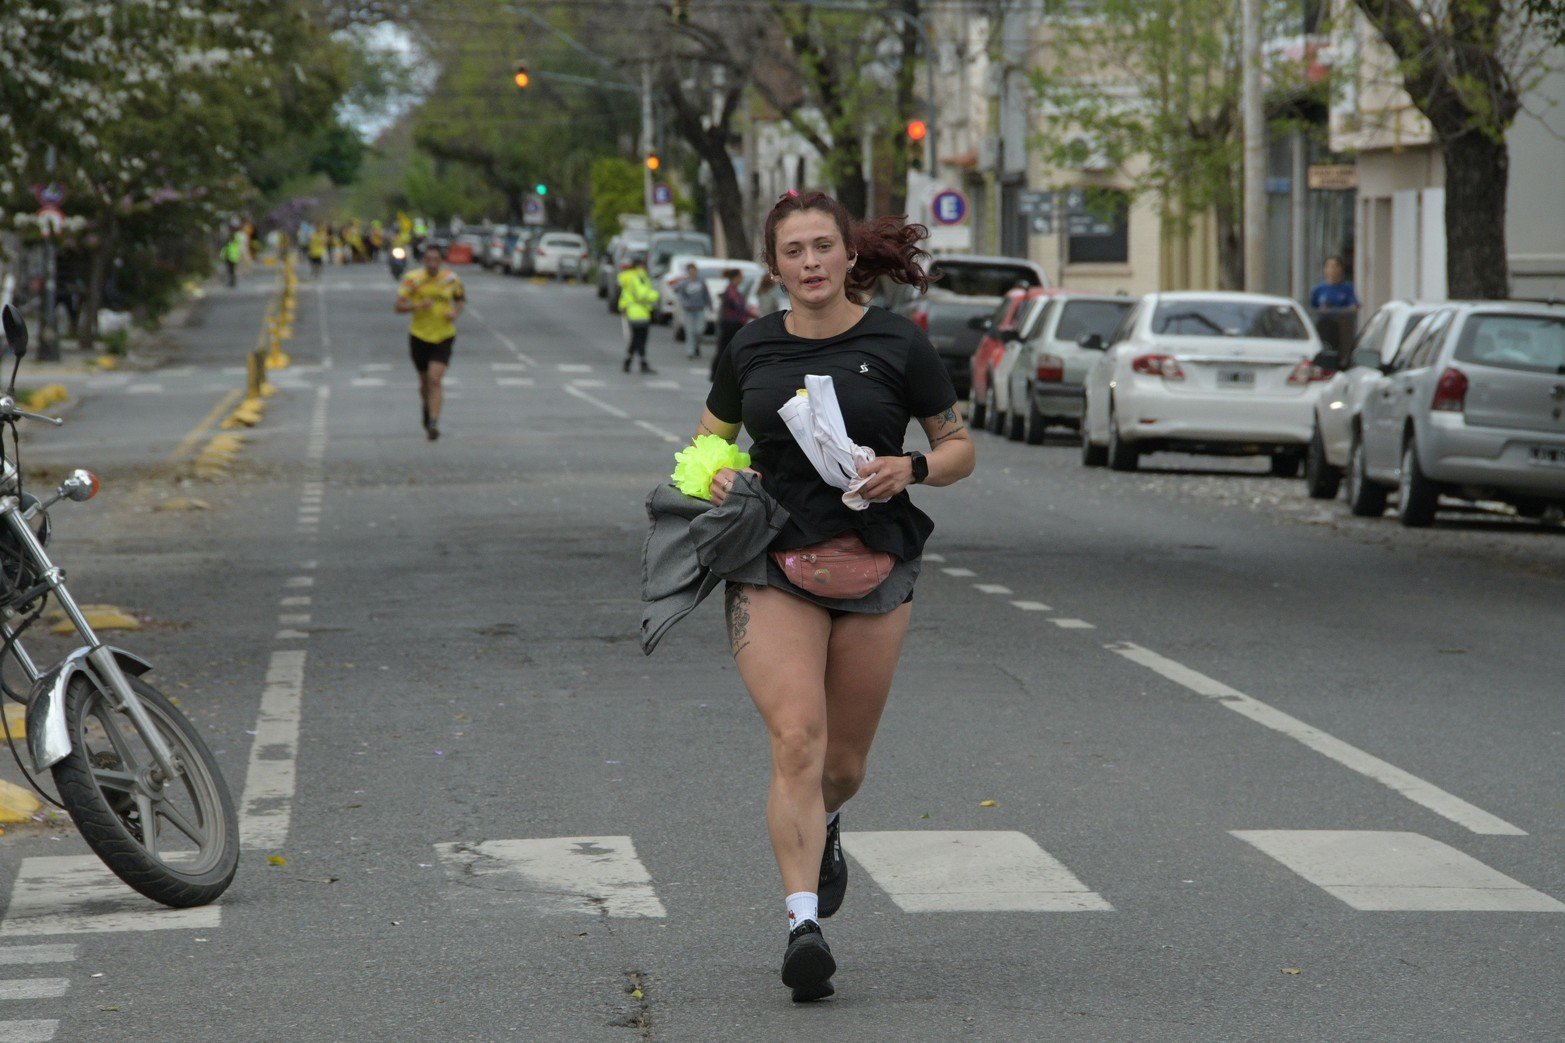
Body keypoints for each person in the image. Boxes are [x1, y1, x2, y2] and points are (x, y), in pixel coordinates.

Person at [692, 190, 976, 1002]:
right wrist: (713, 471)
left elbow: (958, 447)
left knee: (841, 767)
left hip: (874, 564)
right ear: (773, 264)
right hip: (770, 561)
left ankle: (828, 822)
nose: (810, 262)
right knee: (795, 739)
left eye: (823, 246)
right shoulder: (749, 346)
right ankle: (800, 925)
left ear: (850, 256)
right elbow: (701, 444)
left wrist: (910, 468)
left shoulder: (897, 341)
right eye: (794, 250)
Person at [394, 242, 465, 441]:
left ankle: (434, 421)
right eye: (429, 260)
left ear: (441, 262)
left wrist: (455, 313)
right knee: (425, 381)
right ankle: (427, 408)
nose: (432, 264)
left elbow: (460, 299)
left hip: (444, 335)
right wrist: (416, 305)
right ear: (423, 261)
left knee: (435, 378)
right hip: (419, 335)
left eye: (436, 260)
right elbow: (398, 306)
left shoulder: (451, 279)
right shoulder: (412, 280)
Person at [618, 254, 660, 375]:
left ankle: (629, 361)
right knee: (640, 339)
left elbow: (625, 294)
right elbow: (642, 294)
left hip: (633, 311)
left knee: (636, 339)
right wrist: (655, 295)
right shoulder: (640, 277)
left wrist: (623, 306)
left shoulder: (629, 277)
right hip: (640, 312)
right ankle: (640, 363)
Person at [673, 262, 714, 360]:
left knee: (699, 330)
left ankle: (696, 346)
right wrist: (686, 304)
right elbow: (681, 296)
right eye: (690, 271)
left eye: (694, 271)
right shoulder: (684, 283)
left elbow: (706, 295)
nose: (692, 273)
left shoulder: (701, 282)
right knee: (689, 331)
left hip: (699, 309)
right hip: (689, 310)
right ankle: (690, 351)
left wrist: (710, 306)